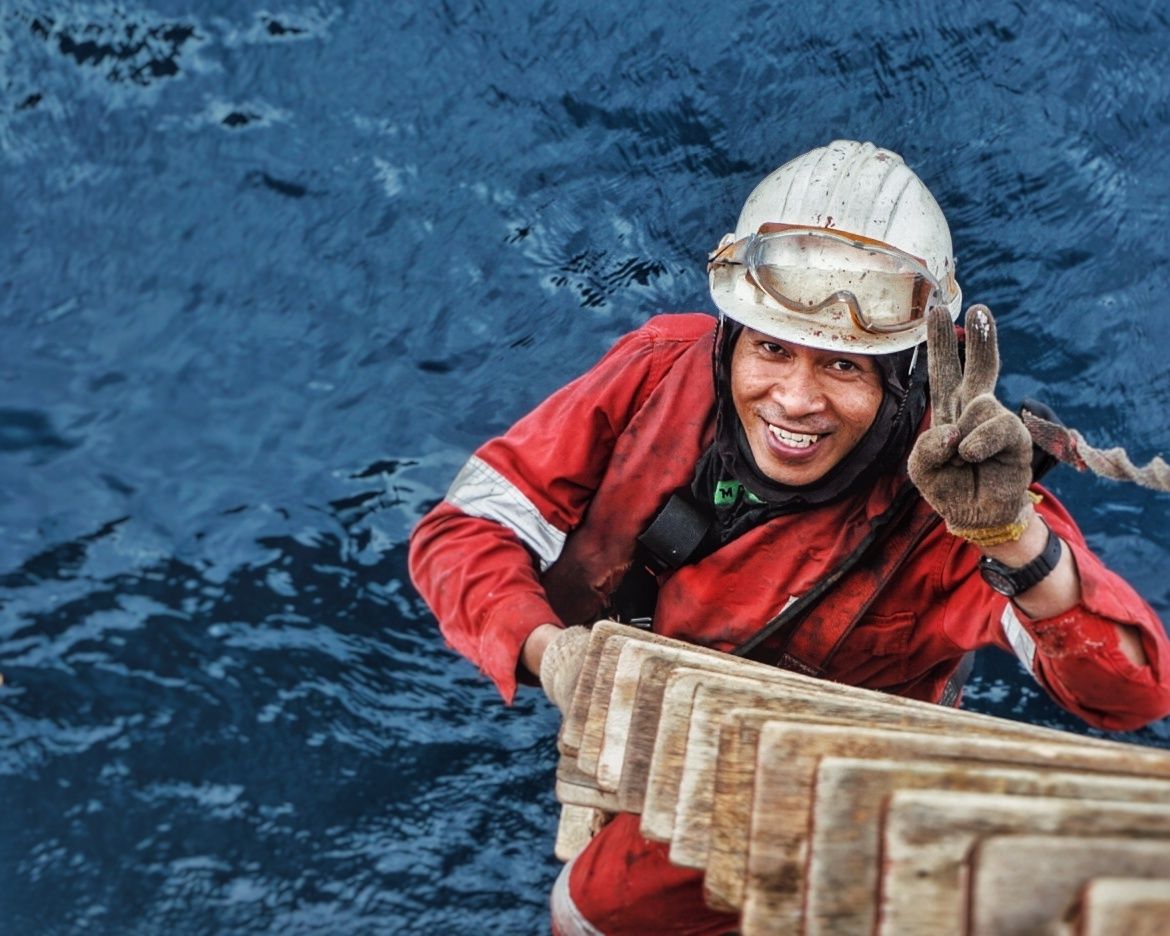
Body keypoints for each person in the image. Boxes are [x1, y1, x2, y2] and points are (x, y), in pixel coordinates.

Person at [408, 140, 1170, 935]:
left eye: (844, 367)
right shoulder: (658, 370)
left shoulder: (960, 507)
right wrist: (547, 652)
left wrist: (1016, 543)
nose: (794, 400)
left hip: (818, 777)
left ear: (905, 373)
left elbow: (1133, 693)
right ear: (733, 336)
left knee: (587, 909)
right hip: (643, 695)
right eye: (772, 348)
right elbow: (467, 530)